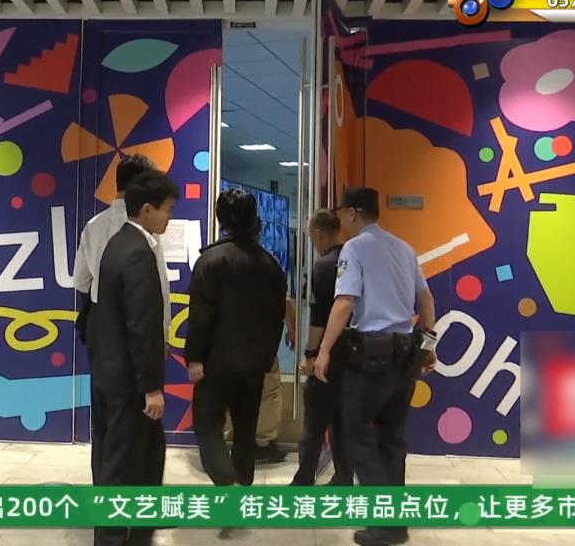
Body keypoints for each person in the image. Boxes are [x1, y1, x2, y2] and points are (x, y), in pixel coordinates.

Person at [313, 188, 437, 546]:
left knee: (353, 431)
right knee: (392, 438)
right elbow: (426, 299)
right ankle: (395, 523)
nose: (339, 218)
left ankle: (384, 522)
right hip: (405, 356)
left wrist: (323, 351)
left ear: (353, 213)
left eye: (341, 212)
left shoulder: (354, 249)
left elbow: (345, 301)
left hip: (372, 357)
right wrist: (429, 345)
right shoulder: (404, 248)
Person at [86, 170, 179, 546]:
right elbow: (142, 325)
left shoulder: (116, 243)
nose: (169, 218)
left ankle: (140, 530)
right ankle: (111, 538)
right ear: (147, 210)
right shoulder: (139, 253)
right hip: (128, 383)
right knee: (121, 463)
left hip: (109, 372)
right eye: (167, 209)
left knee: (143, 455)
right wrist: (152, 388)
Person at [73, 155, 171, 481]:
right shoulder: (145, 237)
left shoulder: (94, 226)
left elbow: (81, 281)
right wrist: (162, 336)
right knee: (138, 425)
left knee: (105, 425)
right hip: (136, 335)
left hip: (102, 333)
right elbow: (157, 292)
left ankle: (106, 490)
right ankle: (129, 499)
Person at [187, 188, 287, 489]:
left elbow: (201, 315)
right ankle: (243, 485)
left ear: (221, 219)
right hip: (254, 364)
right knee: (245, 430)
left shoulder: (210, 261)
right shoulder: (270, 265)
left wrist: (195, 357)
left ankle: (225, 479)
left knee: (207, 424)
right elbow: (277, 317)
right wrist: (266, 356)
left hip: (216, 363)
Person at [290, 209, 353, 486]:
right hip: (353, 351)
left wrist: (311, 354)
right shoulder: (353, 260)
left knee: (315, 421)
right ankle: (343, 476)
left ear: (318, 233)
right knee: (342, 420)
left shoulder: (325, 265)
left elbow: (318, 316)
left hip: (328, 354)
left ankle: (304, 478)